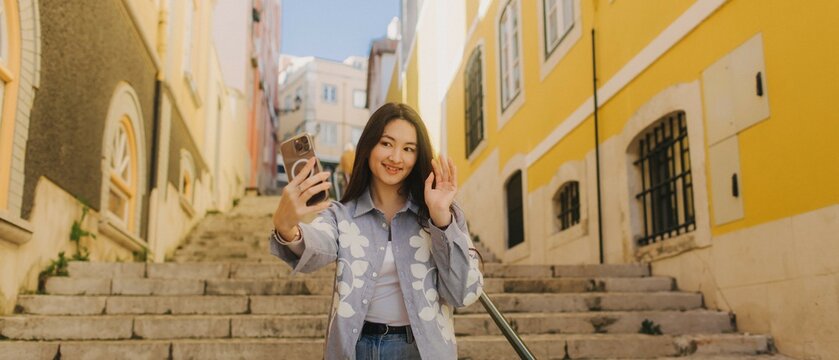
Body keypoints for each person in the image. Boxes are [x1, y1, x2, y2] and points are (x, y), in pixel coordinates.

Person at [270, 102, 484, 359]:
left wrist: (441, 219)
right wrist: (287, 227)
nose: (395, 157)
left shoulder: (441, 213)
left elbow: (464, 292)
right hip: (357, 349)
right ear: (369, 146)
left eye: (408, 149)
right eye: (386, 143)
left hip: (422, 350)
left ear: (418, 156)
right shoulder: (341, 215)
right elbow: (316, 245)